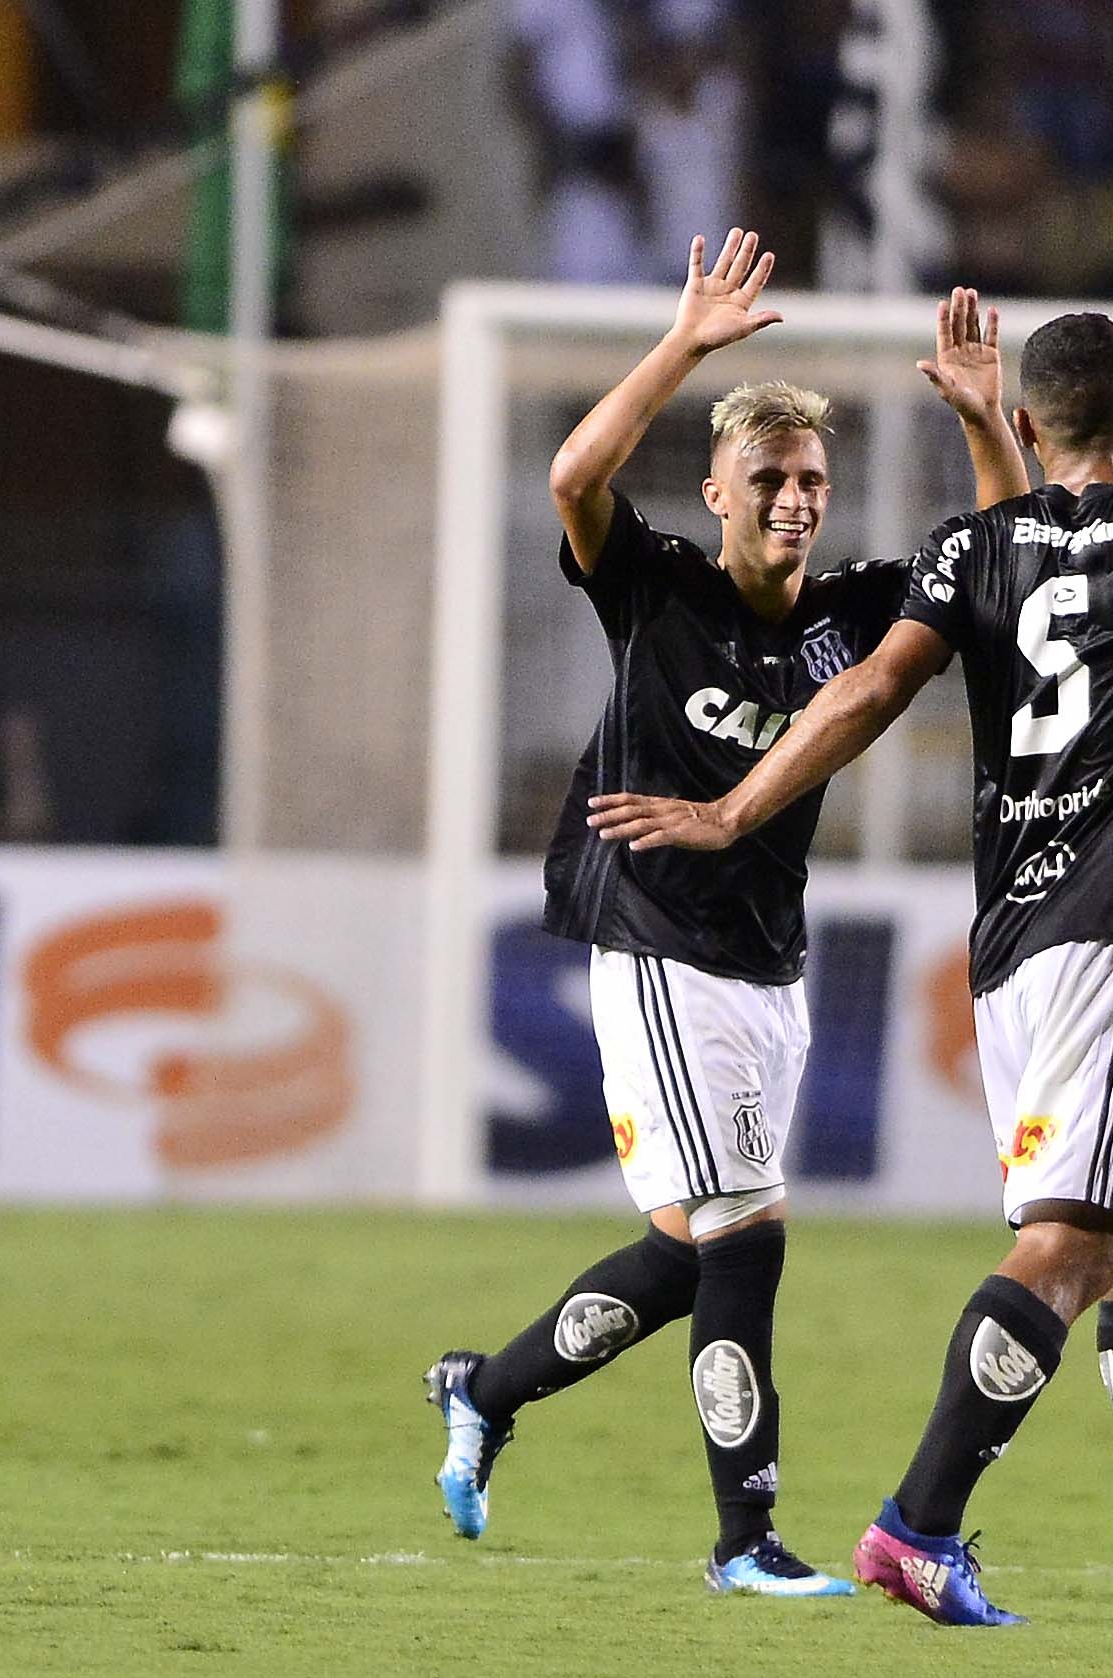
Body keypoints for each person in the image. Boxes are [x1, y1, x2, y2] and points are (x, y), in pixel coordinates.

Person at [589, 165, 1113, 1626]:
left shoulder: (975, 546)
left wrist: (732, 805)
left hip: (1012, 947)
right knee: (1075, 1246)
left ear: (1029, 427)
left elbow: (861, 697)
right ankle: (919, 1523)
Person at [424, 233, 1031, 1596]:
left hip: (765, 959)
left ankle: (485, 1389)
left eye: (812, 481)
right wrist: (686, 344)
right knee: (749, 1234)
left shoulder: (855, 613)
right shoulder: (657, 589)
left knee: (687, 1253)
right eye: (769, 479)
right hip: (655, 940)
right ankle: (744, 1539)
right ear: (716, 493)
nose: (795, 499)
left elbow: (999, 562)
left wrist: (985, 421)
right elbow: (574, 476)